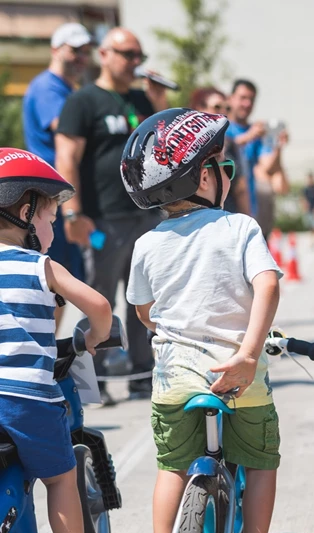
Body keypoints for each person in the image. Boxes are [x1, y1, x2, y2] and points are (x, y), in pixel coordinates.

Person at [120, 108, 291, 533]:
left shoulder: (147, 244)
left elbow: (144, 311)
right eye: (224, 167)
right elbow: (267, 285)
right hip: (239, 378)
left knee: (172, 467)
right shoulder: (240, 227)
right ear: (201, 176)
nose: (228, 177)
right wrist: (247, 351)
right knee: (259, 465)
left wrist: (172, 331)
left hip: (174, 380)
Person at [0, 149, 114, 533]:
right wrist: (93, 337)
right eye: (50, 217)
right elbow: (100, 306)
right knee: (60, 475)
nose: (52, 229)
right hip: (27, 396)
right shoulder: (40, 265)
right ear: (25, 211)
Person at [55, 27, 168, 405]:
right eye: (127, 54)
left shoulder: (140, 99)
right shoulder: (83, 101)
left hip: (145, 217)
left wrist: (158, 101)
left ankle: (140, 375)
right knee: (99, 300)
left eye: (139, 55)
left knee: (145, 300)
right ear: (105, 54)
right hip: (103, 220)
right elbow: (66, 158)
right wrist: (72, 212)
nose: (135, 61)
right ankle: (96, 380)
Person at [22, 23, 93, 325]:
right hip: (51, 199)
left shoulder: (65, 89)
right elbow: (66, 134)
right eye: (74, 50)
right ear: (55, 49)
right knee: (54, 277)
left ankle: (48, 347)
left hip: (58, 198)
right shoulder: (48, 88)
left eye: (86, 52)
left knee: (62, 278)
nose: (81, 58)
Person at [227, 79, 289, 234]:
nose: (247, 104)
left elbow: (269, 168)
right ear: (231, 98)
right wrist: (248, 137)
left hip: (250, 211)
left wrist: (278, 146)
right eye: (243, 98)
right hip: (226, 212)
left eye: (251, 99)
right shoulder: (221, 127)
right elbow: (221, 149)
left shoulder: (256, 134)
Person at [188, 86, 251, 215]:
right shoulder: (184, 146)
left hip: (225, 220)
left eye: (227, 108)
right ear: (200, 109)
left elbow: (241, 189)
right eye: (217, 107)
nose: (223, 112)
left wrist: (248, 222)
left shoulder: (230, 144)